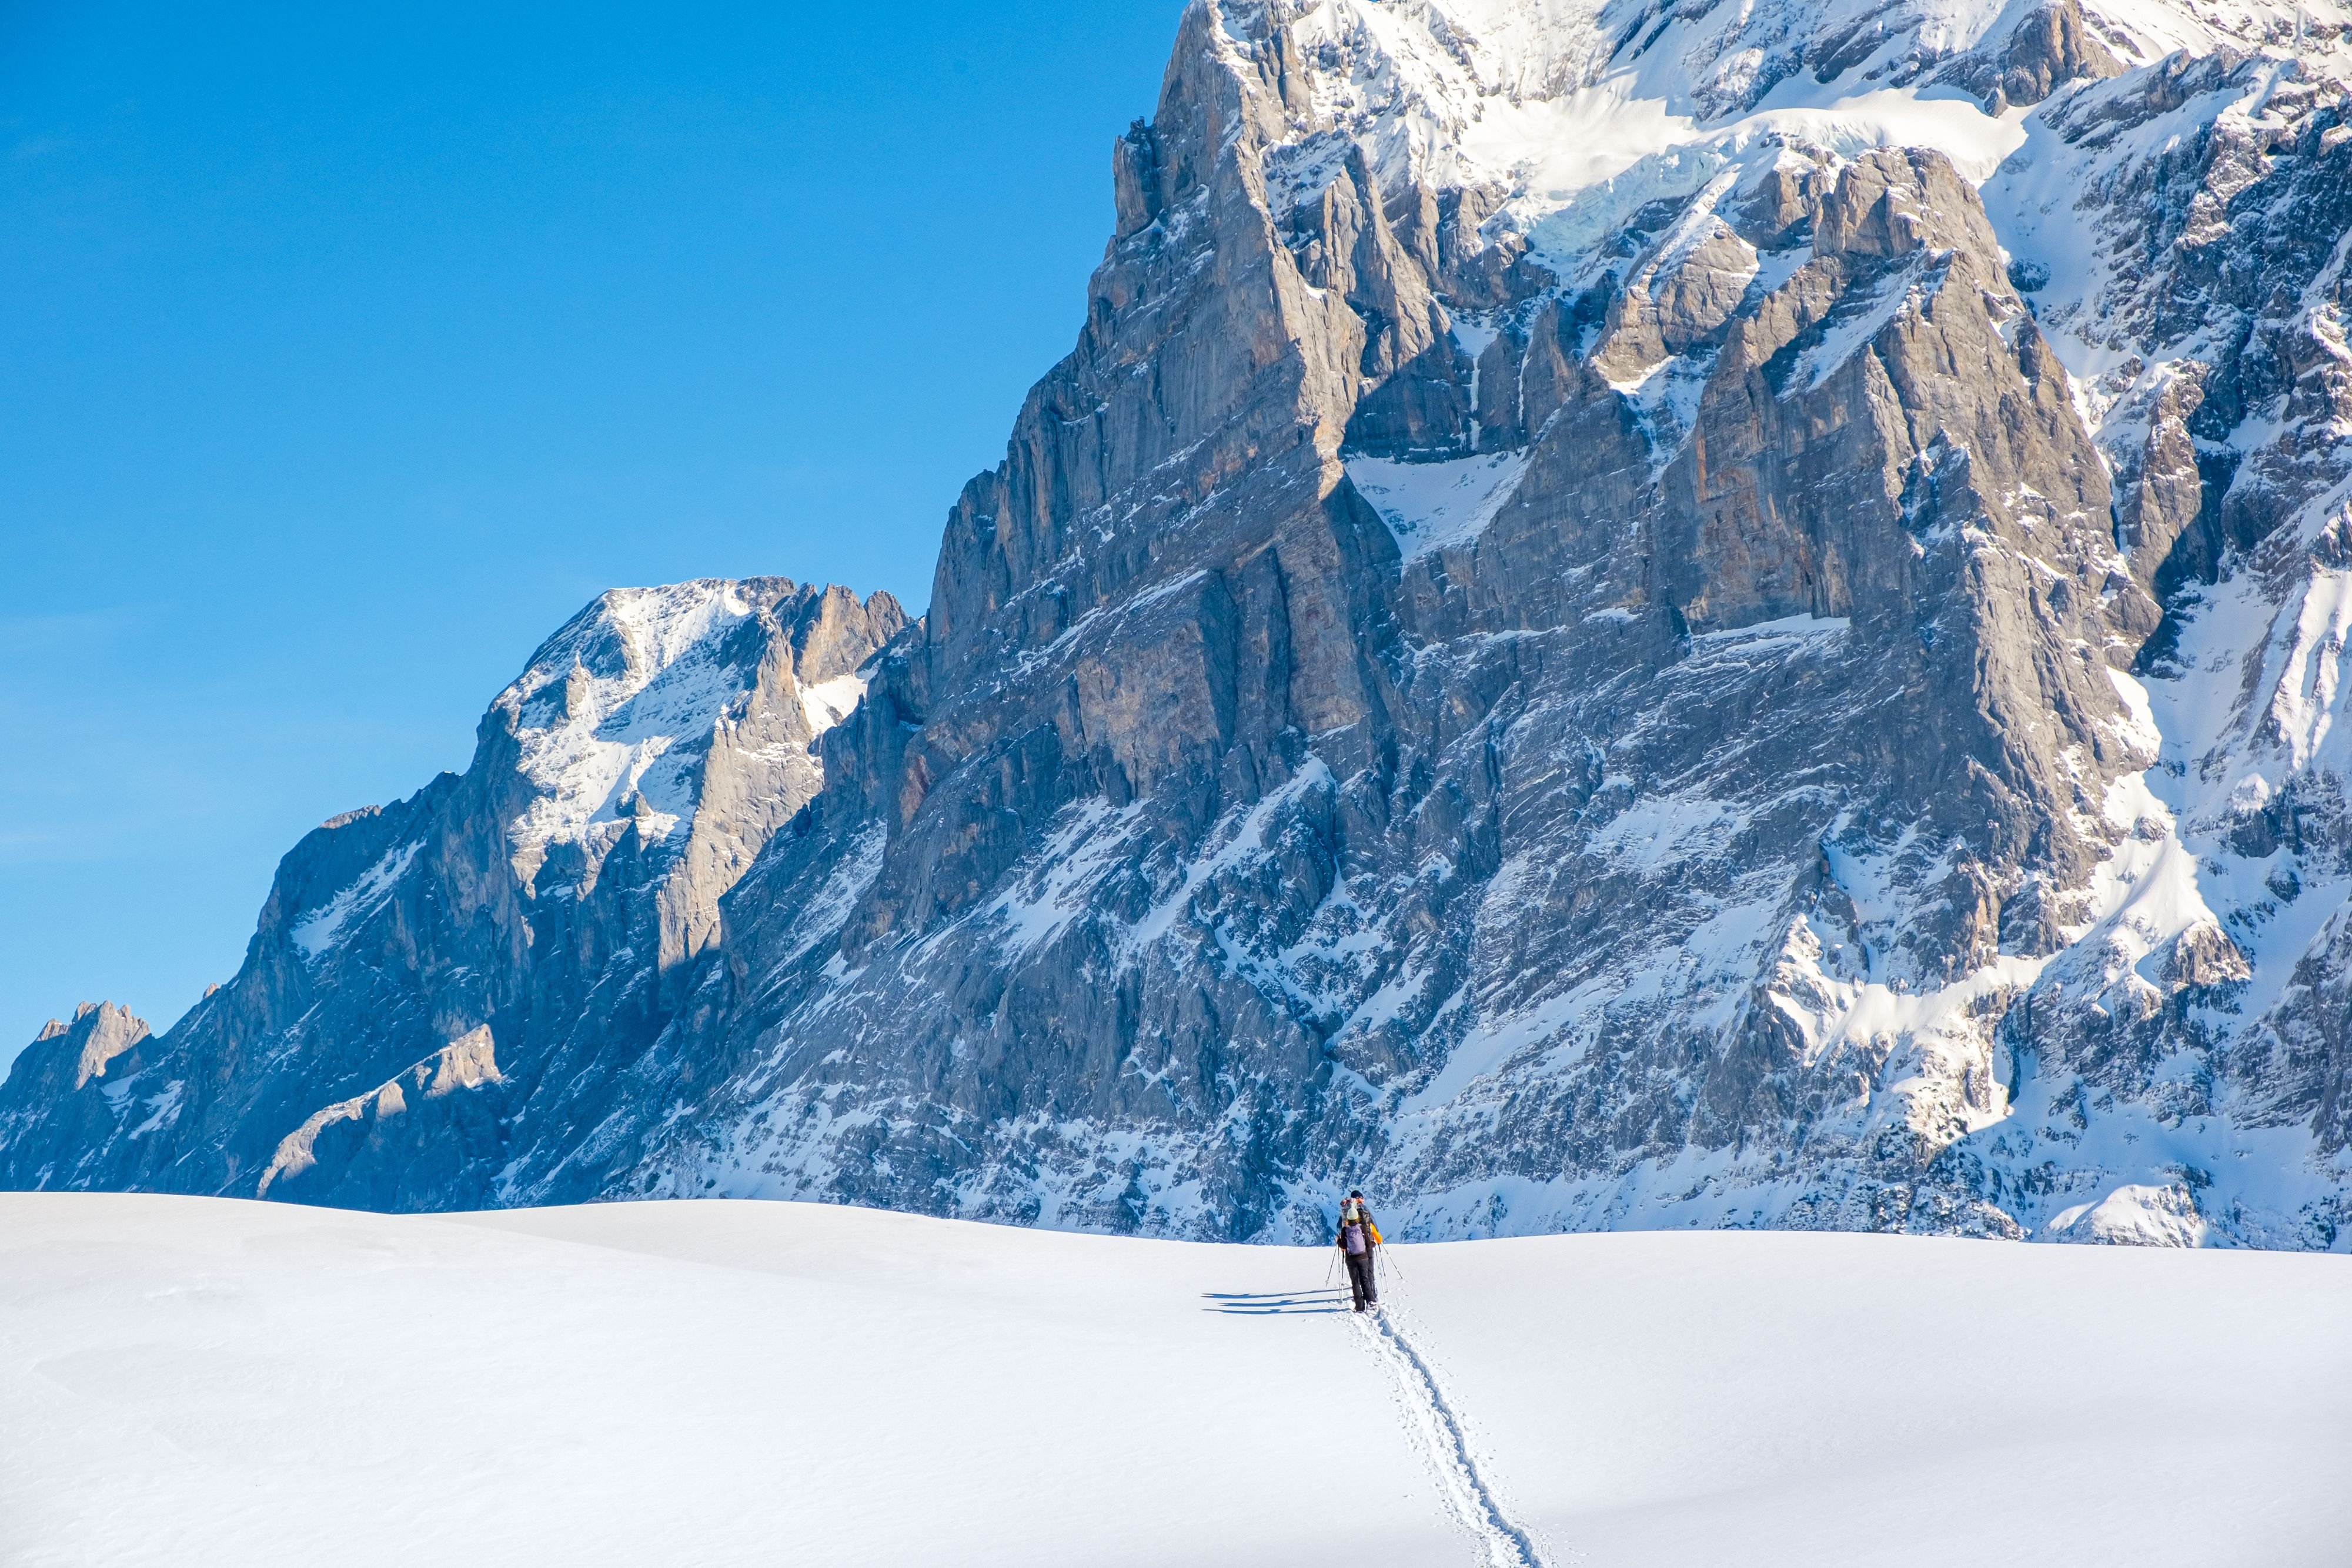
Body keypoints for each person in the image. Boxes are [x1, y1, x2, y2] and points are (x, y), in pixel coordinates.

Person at [1335, 1189, 1382, 1312]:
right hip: (1366, 1250)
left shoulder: (1347, 1213)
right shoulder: (1365, 1210)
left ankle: (1360, 1306)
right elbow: (1374, 1226)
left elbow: (1339, 1228)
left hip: (1351, 1254)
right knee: (1367, 1274)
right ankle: (1372, 1299)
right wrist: (1373, 1241)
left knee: (1355, 1281)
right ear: (1360, 1198)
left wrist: (1339, 1241)